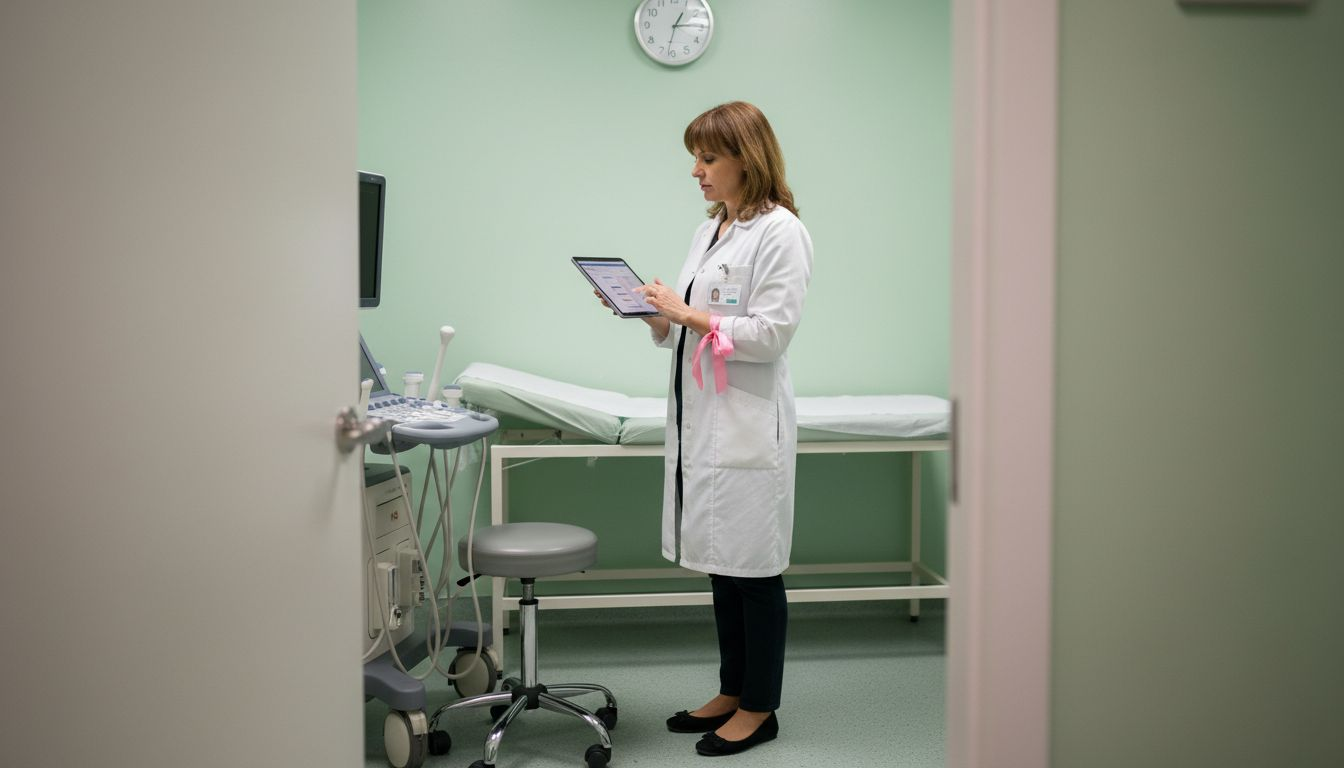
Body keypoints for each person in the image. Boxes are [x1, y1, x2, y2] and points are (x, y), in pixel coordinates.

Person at [598, 101, 812, 757]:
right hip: (706, 421)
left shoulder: (782, 233)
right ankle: (731, 690)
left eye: (708, 158)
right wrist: (650, 314)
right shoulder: (712, 229)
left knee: (755, 571)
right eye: (696, 157)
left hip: (748, 426)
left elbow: (771, 336)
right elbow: (690, 329)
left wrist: (684, 314)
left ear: (746, 160)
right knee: (724, 567)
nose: (696, 171)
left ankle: (761, 706)